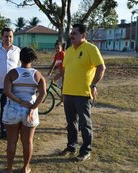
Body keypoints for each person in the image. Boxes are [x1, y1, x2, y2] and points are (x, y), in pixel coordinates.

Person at [59, 24, 106, 162]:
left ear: (83, 35)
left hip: (83, 94)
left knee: (85, 124)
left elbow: (101, 67)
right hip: (68, 93)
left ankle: (86, 150)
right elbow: (65, 72)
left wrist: (94, 84)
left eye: (75, 33)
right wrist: (63, 90)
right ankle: (71, 146)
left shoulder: (91, 48)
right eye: (71, 33)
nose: (71, 35)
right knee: (71, 123)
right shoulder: (68, 50)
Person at [3, 47, 46, 173]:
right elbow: (43, 94)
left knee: (11, 141)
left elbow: (7, 91)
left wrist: (19, 101)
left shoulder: (12, 73)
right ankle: (25, 168)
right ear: (33, 58)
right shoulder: (37, 75)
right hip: (29, 112)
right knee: (28, 142)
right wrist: (33, 108)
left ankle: (9, 169)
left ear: (20, 58)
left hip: (12, 110)